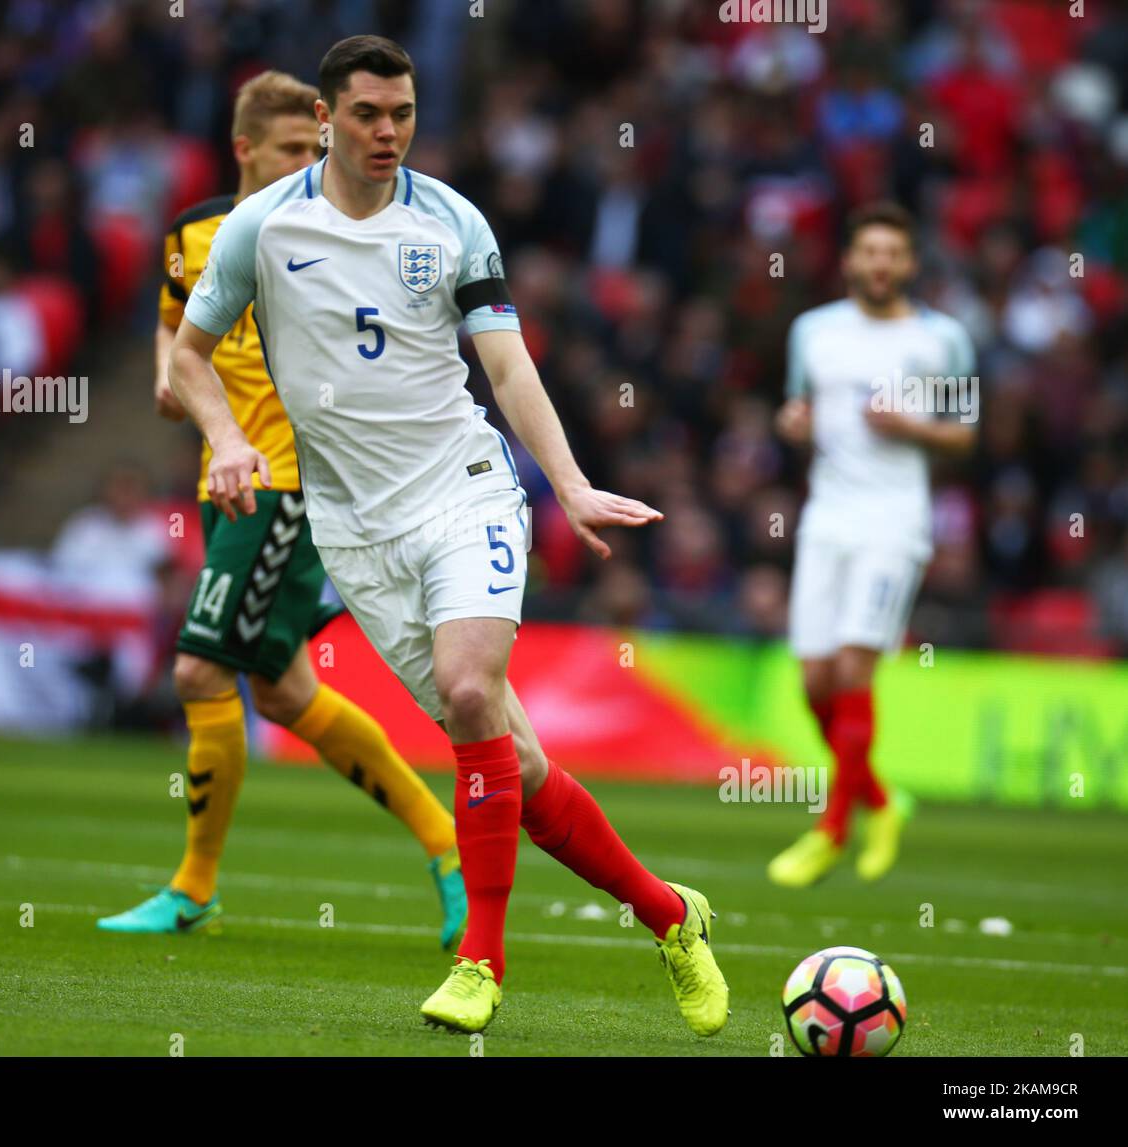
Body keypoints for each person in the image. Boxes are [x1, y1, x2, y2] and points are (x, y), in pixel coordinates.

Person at [168, 35, 729, 1037]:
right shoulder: (259, 228)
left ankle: (481, 961)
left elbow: (507, 370)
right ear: (331, 120)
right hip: (352, 526)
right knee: (511, 754)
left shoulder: (453, 222)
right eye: (369, 116)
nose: (388, 133)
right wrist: (222, 439)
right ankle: (667, 913)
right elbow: (187, 357)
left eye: (404, 114)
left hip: (462, 492)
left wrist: (570, 485)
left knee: (471, 691)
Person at [98, 70, 466, 946]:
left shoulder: (321, 235)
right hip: (223, 484)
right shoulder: (193, 236)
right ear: (244, 150)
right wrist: (164, 367)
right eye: (295, 149)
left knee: (197, 671)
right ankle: (445, 841)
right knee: (284, 688)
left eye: (316, 145)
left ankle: (193, 886)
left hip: (289, 484)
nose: (314, 159)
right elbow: (176, 322)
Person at [771, 201, 978, 888]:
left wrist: (909, 425)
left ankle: (832, 829)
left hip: (895, 520)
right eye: (870, 252)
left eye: (893, 252)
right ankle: (883, 803)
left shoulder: (939, 338)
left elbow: (966, 431)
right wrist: (793, 424)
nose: (880, 264)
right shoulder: (814, 332)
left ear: (911, 263)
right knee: (815, 682)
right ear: (850, 261)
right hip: (827, 515)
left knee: (856, 667)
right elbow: (797, 411)